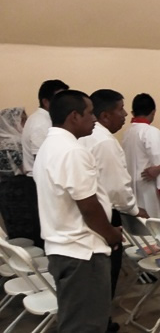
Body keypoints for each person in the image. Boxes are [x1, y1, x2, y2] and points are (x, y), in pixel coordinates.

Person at [33, 90, 122, 332]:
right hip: (82, 252)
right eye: (90, 113)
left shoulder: (50, 146)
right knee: (86, 325)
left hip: (64, 247)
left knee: (76, 320)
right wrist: (111, 234)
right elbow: (89, 206)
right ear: (74, 116)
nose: (94, 119)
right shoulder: (72, 151)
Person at [79, 89, 150, 332]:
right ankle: (101, 323)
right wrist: (134, 209)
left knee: (92, 278)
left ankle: (94, 321)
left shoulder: (83, 137)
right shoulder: (105, 142)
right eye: (121, 109)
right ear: (106, 115)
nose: (125, 114)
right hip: (104, 214)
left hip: (85, 216)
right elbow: (117, 188)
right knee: (106, 274)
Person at [18, 79, 68, 247]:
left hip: (40, 181)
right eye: (59, 98)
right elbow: (42, 160)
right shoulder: (40, 122)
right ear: (46, 101)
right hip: (39, 182)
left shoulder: (45, 119)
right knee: (47, 231)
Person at [122, 93, 160, 219]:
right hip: (150, 187)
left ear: (133, 113)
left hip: (132, 187)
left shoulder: (127, 133)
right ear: (153, 112)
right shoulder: (151, 132)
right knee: (157, 222)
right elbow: (159, 162)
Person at [0, 107, 33, 240]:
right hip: (21, 187)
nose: (25, 124)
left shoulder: (2, 141)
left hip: (4, 188)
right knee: (28, 225)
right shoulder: (15, 142)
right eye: (23, 121)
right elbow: (23, 166)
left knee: (13, 224)